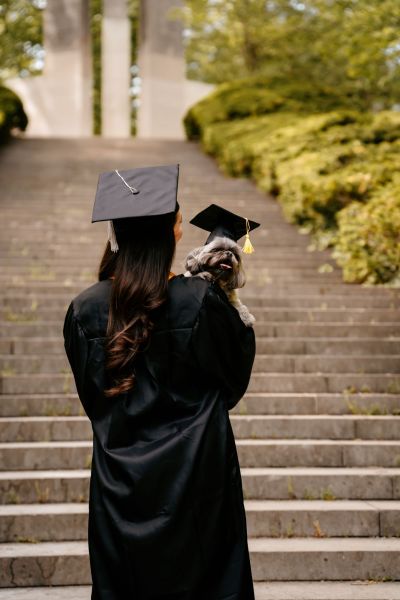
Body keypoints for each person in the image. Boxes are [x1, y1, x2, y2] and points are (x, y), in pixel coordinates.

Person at [63, 163, 258, 600]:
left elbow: (93, 398)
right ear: (175, 231)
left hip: (121, 482)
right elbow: (233, 381)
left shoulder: (85, 310)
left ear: (114, 234)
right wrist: (227, 299)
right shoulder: (198, 300)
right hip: (200, 475)